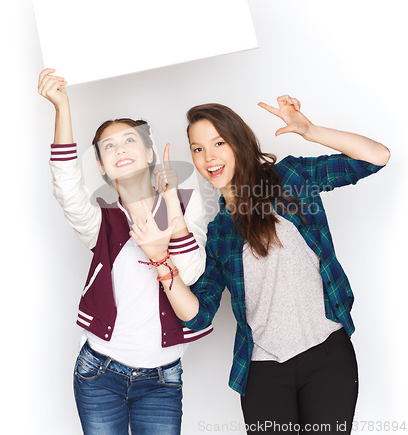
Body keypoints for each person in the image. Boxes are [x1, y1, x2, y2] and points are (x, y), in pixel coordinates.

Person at [131, 96, 390, 434]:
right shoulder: (220, 231)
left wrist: (309, 130)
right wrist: (160, 260)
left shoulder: (290, 178)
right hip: (263, 372)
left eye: (218, 143)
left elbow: (376, 157)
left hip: (327, 357)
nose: (209, 157)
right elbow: (197, 314)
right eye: (197, 149)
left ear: (239, 141)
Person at [38, 68, 212, 435]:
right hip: (98, 374)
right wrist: (62, 108)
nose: (119, 149)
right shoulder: (101, 222)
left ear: (149, 153)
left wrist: (170, 206)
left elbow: (191, 273)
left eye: (129, 141)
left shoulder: (186, 204)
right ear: (100, 165)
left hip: (162, 381)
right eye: (108, 146)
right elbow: (66, 186)